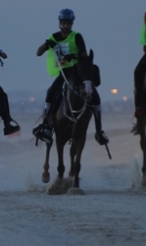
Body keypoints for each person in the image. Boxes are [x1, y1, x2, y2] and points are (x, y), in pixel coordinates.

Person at [33, 8, 108, 146]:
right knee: (50, 93)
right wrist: (46, 44)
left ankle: (99, 131)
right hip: (63, 73)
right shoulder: (53, 37)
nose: (66, 26)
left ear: (72, 24)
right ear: (60, 23)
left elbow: (84, 55)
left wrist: (73, 56)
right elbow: (38, 52)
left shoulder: (77, 37)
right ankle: (47, 127)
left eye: (68, 23)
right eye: (64, 23)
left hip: (76, 71)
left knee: (95, 97)